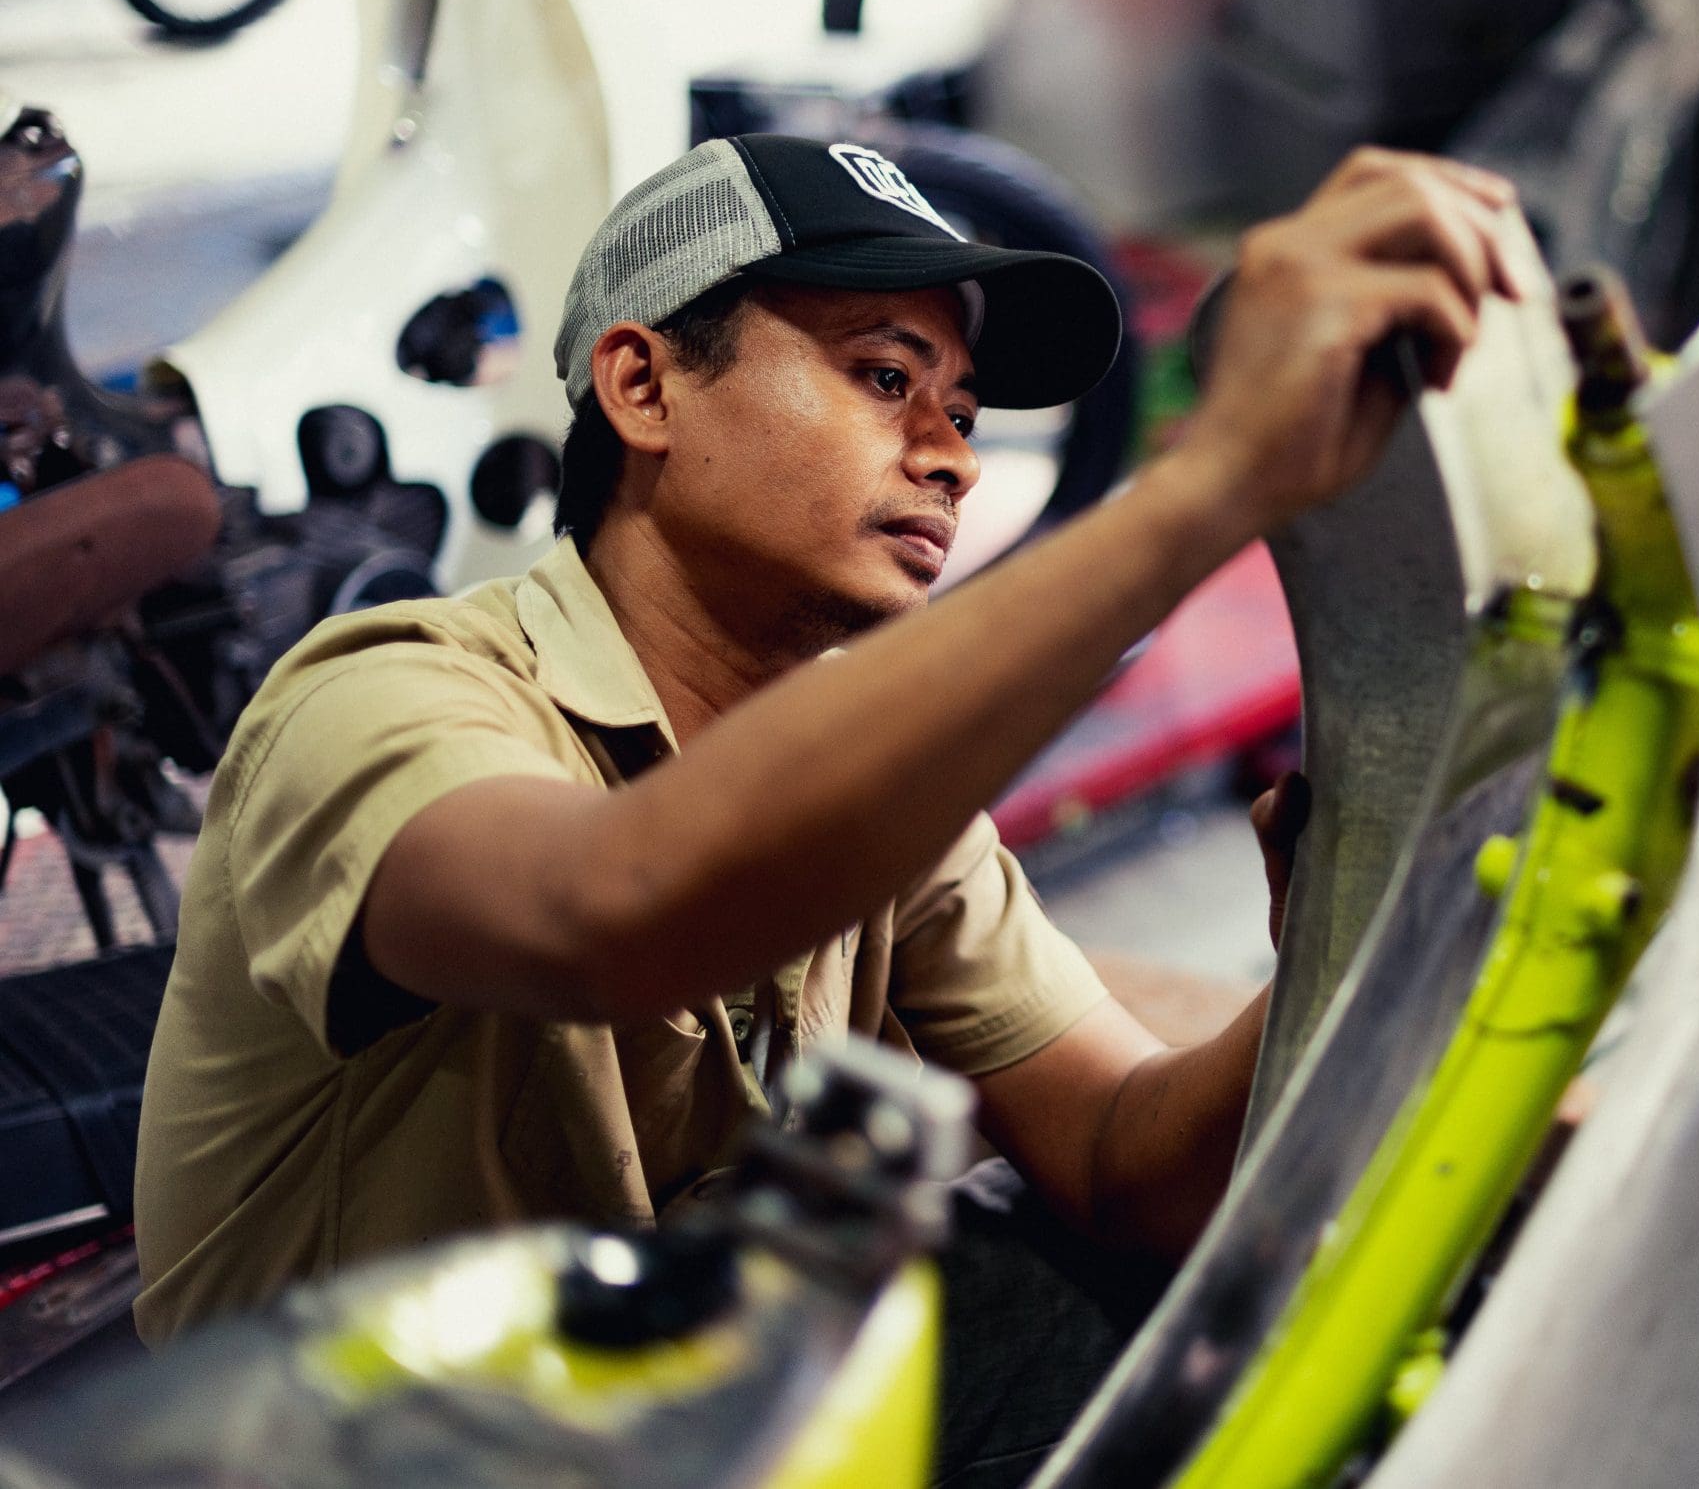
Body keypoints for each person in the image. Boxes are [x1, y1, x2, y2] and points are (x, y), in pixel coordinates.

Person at [131, 134, 1523, 1482]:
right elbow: (612, 908)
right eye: (882, 376)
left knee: (1274, 1304)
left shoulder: (883, 804)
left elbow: (1123, 1162)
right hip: (357, 1454)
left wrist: (1337, 956)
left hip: (658, 1418)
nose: (954, 457)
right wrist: (1214, 481)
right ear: (645, 385)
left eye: (964, 412)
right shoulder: (386, 700)